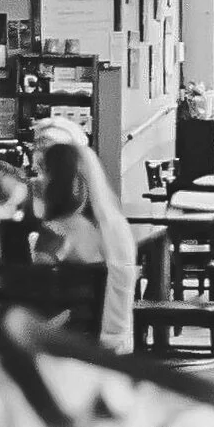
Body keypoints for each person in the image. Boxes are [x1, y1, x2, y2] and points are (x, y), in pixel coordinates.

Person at [29, 120, 137, 353]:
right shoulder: (115, 227)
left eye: (41, 173)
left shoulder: (57, 231)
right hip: (114, 339)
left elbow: (34, 288)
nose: (36, 181)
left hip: (68, 345)